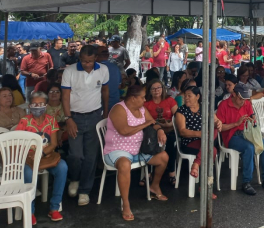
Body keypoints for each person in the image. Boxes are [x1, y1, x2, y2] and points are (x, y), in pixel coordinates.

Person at [104, 84, 170, 218]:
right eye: (142, 97)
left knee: (163, 157)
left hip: (138, 151)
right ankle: (126, 204)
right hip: (117, 151)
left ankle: (154, 186)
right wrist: (145, 124)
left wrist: (160, 130)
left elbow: (153, 122)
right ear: (133, 98)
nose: (145, 100)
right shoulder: (118, 108)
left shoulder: (141, 109)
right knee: (124, 164)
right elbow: (124, 131)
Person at [62, 44, 109, 206]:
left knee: (90, 156)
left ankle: (84, 190)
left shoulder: (103, 70)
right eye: (83, 61)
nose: (86, 64)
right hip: (75, 117)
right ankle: (74, 179)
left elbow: (105, 91)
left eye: (89, 61)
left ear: (95, 58)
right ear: (79, 58)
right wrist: (68, 118)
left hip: (95, 116)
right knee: (75, 155)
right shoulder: (69, 71)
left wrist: (105, 113)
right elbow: (65, 96)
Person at [216, 83, 264, 195]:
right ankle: (246, 182)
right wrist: (236, 123)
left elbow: (252, 115)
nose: (243, 101)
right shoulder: (224, 105)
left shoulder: (246, 103)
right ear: (234, 94)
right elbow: (220, 128)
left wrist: (253, 120)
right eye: (241, 98)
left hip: (247, 133)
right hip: (231, 136)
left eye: (245, 99)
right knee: (249, 148)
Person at [17, 90, 68, 223]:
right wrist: (31, 155)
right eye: (35, 104)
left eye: (41, 104)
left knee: (62, 167)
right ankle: (30, 211)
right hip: (29, 159)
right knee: (28, 174)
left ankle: (54, 208)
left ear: (46, 106)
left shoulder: (51, 120)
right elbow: (18, 142)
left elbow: (54, 143)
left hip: (46, 156)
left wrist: (41, 154)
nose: (38, 107)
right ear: (30, 106)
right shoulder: (24, 121)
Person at [175, 86, 221, 196]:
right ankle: (204, 186)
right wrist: (200, 134)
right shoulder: (181, 111)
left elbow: (215, 120)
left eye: (189, 96)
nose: (186, 98)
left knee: (214, 128)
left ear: (197, 96)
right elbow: (182, 131)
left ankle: (197, 163)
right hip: (189, 143)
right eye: (185, 96)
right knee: (212, 150)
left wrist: (218, 123)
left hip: (204, 141)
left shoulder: (204, 108)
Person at [144, 79, 178, 187]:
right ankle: (148, 173)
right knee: (149, 143)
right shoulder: (146, 103)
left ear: (163, 89)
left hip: (170, 129)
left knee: (171, 142)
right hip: (152, 131)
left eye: (158, 87)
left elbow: (177, 116)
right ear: (149, 91)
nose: (156, 90)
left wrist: (170, 124)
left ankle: (171, 172)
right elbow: (145, 120)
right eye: (153, 88)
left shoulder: (170, 100)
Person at [97, 45, 122, 112]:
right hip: (114, 104)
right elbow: (119, 86)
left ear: (96, 56)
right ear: (108, 55)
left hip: (100, 106)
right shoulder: (115, 68)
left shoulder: (96, 68)